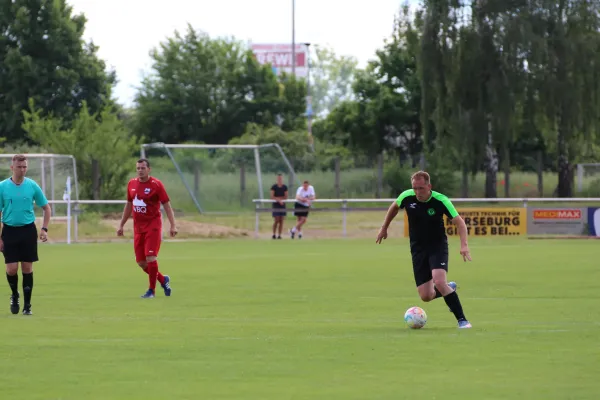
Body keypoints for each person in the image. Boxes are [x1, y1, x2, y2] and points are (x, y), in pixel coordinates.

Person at [375, 171, 473, 329]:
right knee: (426, 296)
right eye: (415, 188)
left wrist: (464, 245)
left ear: (429, 186)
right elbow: (393, 208)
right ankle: (450, 288)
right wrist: (384, 228)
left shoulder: (441, 200)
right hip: (417, 248)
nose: (417, 192)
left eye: (421, 188)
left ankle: (462, 320)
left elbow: (460, 223)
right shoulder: (407, 196)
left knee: (439, 281)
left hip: (437, 246)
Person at [117, 158, 178, 298]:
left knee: (151, 257)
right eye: (138, 168)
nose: (140, 170)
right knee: (141, 262)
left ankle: (151, 291)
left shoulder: (156, 185)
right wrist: (121, 224)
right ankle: (163, 280)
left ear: (149, 169)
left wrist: (173, 225)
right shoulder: (131, 184)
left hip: (153, 226)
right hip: (138, 228)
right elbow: (129, 205)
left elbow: (167, 205)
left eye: (143, 168)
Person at [0, 154, 51, 315]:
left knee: (27, 268)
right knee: (12, 269)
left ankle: (27, 306)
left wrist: (44, 229)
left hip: (28, 230)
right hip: (9, 230)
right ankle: (15, 295)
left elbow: (46, 208)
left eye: (25, 167)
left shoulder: (32, 185)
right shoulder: (2, 187)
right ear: (12, 168)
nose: (22, 170)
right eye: (19, 167)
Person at [270, 174, 288, 239]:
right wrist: (278, 200)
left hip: (282, 205)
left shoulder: (285, 187)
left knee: (281, 220)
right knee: (276, 219)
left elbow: (285, 196)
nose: (280, 180)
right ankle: (274, 234)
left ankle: (279, 235)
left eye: (281, 178)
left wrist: (280, 199)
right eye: (278, 179)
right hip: (276, 205)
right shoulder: (274, 187)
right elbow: (272, 197)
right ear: (277, 179)